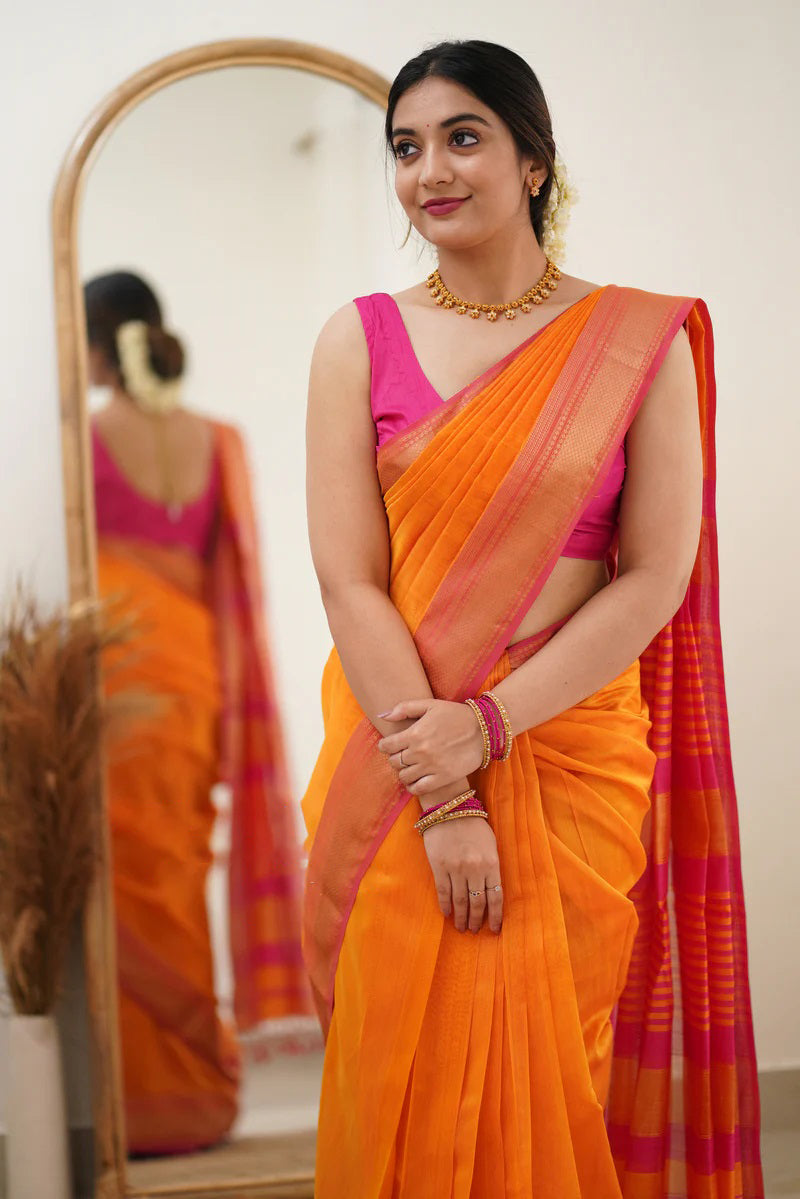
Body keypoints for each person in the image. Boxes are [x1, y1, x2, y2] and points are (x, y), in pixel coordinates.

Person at [300, 40, 763, 1198]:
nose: (427, 172)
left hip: (567, 746)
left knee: (559, 1066)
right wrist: (443, 784)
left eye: (462, 137)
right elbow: (350, 580)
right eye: (404, 148)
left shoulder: (635, 341)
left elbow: (652, 575)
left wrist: (491, 724)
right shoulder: (357, 337)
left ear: (534, 161)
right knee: (398, 1064)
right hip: (399, 751)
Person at [84, 271, 315, 1154]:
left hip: (114, 687)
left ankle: (140, 1102)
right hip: (195, 684)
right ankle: (194, 1092)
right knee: (176, 874)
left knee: (123, 886)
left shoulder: (89, 435)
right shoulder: (217, 439)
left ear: (97, 343)